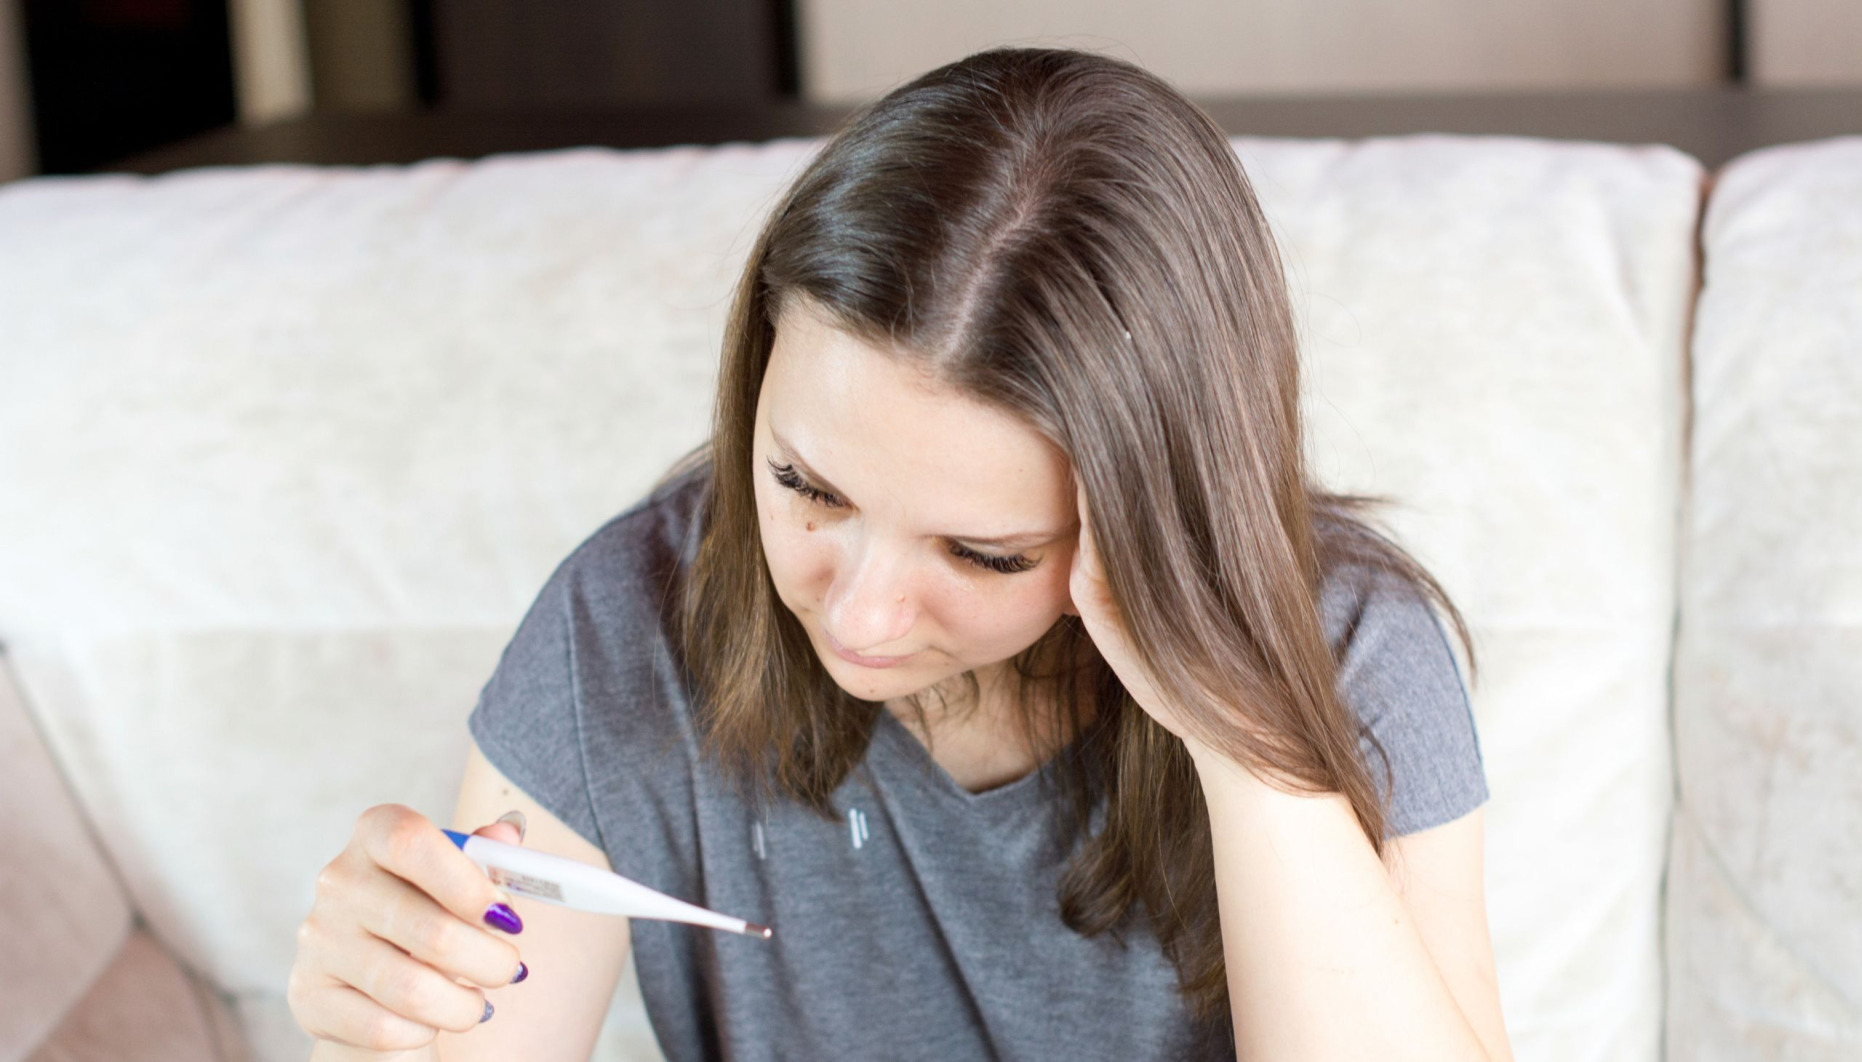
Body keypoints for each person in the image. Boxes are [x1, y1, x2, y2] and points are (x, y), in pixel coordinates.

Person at [288, 45, 1512, 1062]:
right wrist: (386, 1003)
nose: (862, 620)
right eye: (805, 487)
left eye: (982, 554)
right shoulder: (623, 629)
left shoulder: (1351, 647)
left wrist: (1241, 744)